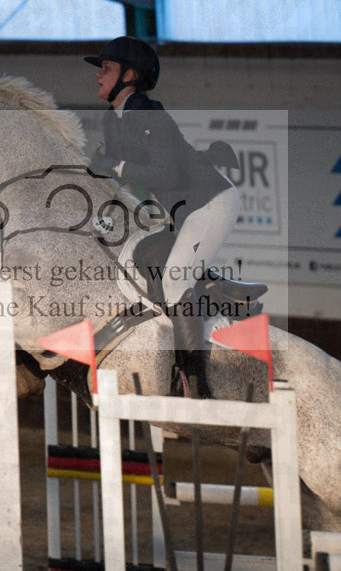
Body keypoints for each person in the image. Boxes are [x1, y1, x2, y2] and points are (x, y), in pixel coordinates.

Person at [84, 36, 241, 396]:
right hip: (182, 211)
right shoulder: (114, 119)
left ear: (130, 75)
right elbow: (120, 177)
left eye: (106, 68)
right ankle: (209, 284)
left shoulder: (148, 112)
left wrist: (115, 165)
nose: (98, 76)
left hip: (210, 202)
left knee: (174, 282)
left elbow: (165, 174)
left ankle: (196, 382)